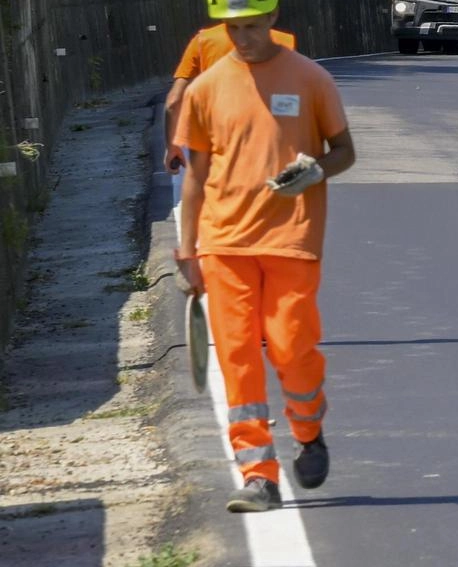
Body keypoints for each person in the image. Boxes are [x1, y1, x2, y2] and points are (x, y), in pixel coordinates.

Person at [173, 0, 355, 513]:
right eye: (233, 29)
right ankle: (258, 476)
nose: (242, 38)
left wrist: (316, 171)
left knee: (291, 346)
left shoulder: (311, 78)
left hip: (291, 240)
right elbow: (194, 176)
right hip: (224, 242)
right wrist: (187, 250)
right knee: (237, 359)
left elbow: (344, 150)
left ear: (272, 20)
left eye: (251, 27)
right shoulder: (206, 88)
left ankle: (309, 431)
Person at [163, 14, 296, 174]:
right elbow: (293, 102)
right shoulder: (284, 41)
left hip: (220, 149)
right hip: (271, 148)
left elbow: (173, 102)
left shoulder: (202, 41)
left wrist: (172, 147)